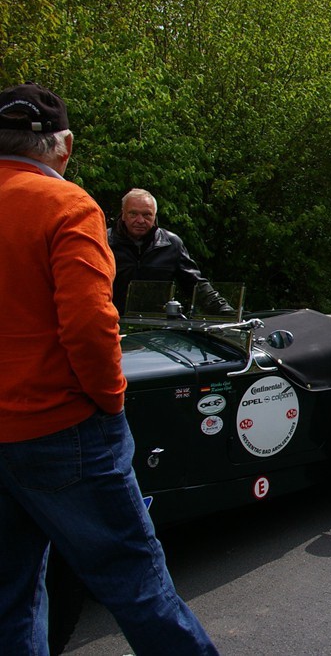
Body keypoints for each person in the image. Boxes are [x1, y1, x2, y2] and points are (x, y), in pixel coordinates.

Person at [0, 82, 218, 654]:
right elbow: (88, 326)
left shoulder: (160, 240)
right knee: (136, 580)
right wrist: (110, 399)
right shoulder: (66, 205)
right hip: (60, 425)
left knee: (10, 595)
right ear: (64, 145)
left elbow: (192, 281)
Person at [108, 187, 233, 316]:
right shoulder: (104, 242)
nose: (140, 220)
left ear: (154, 216)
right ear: (123, 215)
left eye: (147, 215)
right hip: (111, 321)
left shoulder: (170, 244)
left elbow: (195, 285)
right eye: (133, 214)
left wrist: (226, 311)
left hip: (155, 323)